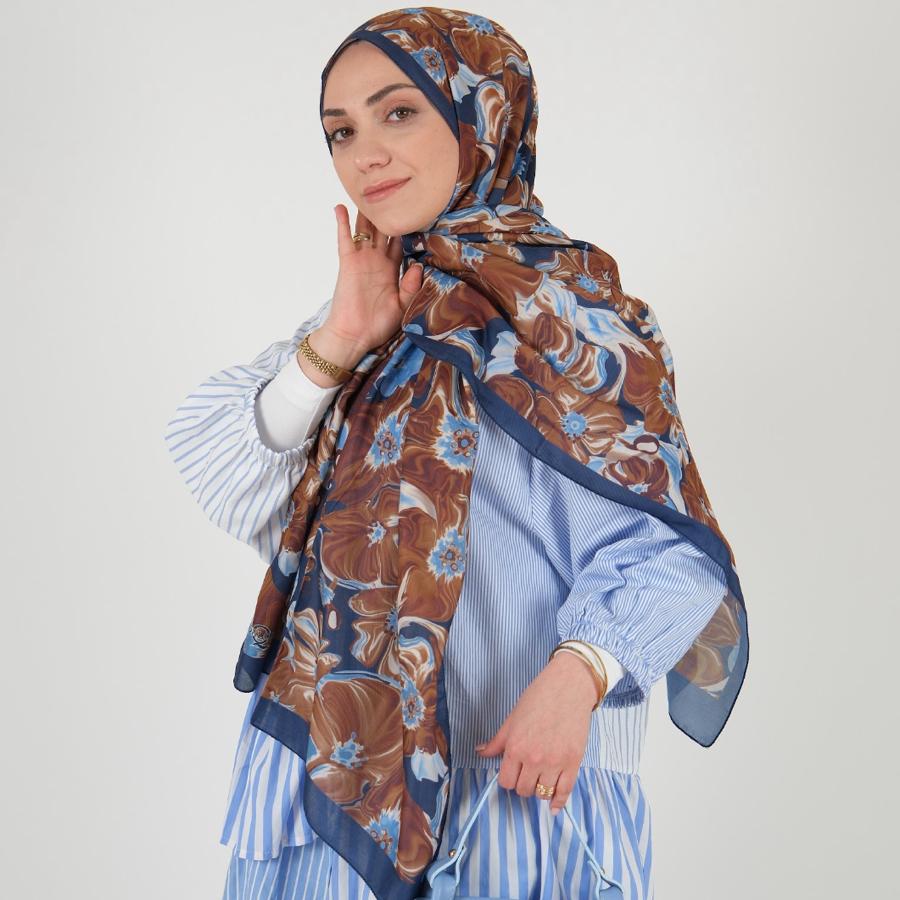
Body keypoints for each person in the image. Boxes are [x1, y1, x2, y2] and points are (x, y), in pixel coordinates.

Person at [164, 8, 747, 900]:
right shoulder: (367, 327)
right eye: (340, 131)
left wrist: (583, 672)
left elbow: (675, 550)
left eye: (399, 112)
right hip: (325, 792)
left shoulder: (584, 328)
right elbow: (223, 468)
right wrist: (340, 339)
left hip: (515, 793)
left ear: (484, 117)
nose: (366, 154)